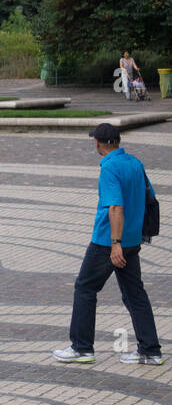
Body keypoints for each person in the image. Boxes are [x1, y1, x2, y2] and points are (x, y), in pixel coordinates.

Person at [54, 124, 163, 365]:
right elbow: (149, 198)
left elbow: (115, 207)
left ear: (97, 143)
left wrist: (115, 244)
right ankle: (150, 350)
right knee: (135, 294)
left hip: (108, 241)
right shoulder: (135, 162)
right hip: (133, 240)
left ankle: (82, 348)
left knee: (85, 288)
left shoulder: (109, 167)